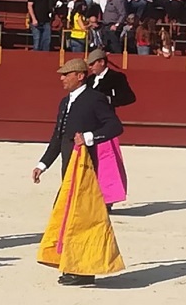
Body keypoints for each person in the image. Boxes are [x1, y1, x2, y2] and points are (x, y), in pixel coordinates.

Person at [32, 58, 125, 286]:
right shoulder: (65, 102)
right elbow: (58, 137)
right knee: (67, 215)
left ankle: (84, 270)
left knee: (82, 219)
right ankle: (72, 264)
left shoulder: (95, 99)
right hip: (69, 169)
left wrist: (89, 138)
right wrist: (42, 165)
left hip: (86, 171)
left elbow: (115, 126)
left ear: (80, 76)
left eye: (66, 74)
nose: (62, 78)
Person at [86, 49, 136, 210]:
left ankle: (107, 200)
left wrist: (108, 99)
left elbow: (129, 97)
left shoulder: (116, 78)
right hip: (89, 124)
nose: (90, 67)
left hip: (105, 125)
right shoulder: (90, 79)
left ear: (101, 62)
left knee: (106, 163)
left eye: (93, 64)